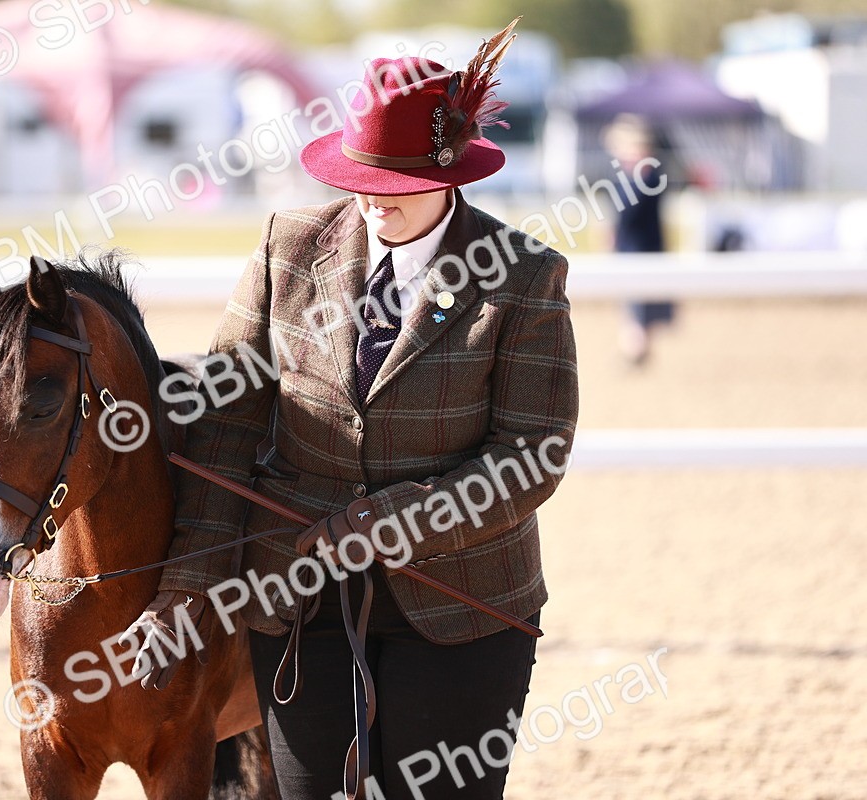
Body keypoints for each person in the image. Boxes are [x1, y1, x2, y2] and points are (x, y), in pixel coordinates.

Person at [125, 21, 578, 800]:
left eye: (398, 188)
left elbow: (531, 457)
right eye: (363, 179)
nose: (374, 205)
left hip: (464, 607)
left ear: (451, 174)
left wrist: (394, 520)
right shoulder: (285, 248)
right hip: (300, 598)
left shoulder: (525, 278)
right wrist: (181, 595)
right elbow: (227, 429)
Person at [605, 113, 674, 366]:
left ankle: (635, 352)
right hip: (640, 246)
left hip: (639, 249)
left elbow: (627, 214)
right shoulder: (644, 176)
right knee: (636, 304)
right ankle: (639, 350)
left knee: (637, 305)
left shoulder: (645, 177)